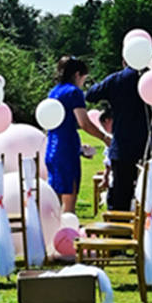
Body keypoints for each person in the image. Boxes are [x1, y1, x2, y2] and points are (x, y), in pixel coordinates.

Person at [86, 55, 152, 213]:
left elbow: (91, 95)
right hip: (149, 144)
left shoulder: (116, 80)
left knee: (121, 196)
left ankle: (119, 233)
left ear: (124, 61)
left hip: (123, 144)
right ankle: (149, 232)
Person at [41, 57, 106, 217]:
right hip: (67, 152)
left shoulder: (54, 91)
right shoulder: (74, 92)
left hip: (52, 149)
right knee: (69, 202)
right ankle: (67, 236)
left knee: (54, 202)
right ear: (78, 74)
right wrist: (105, 138)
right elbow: (84, 123)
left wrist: (80, 148)